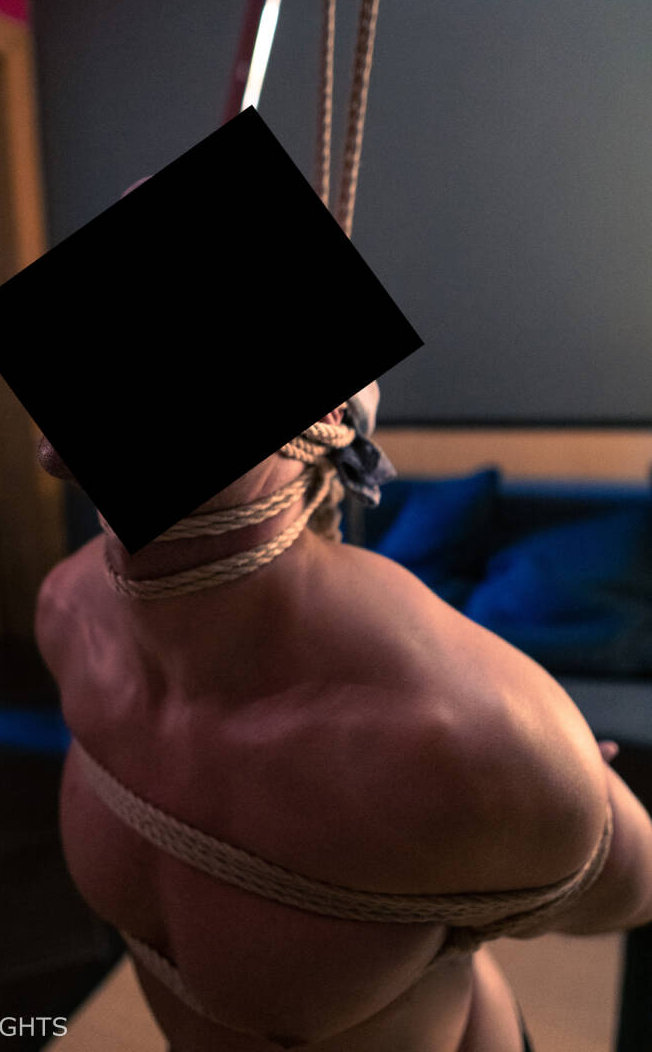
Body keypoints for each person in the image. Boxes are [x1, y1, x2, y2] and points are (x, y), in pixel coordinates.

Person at [34, 385, 652, 1052]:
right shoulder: (66, 612)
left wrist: (554, 792)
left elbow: (639, 889)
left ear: (326, 414)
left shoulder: (466, 736)